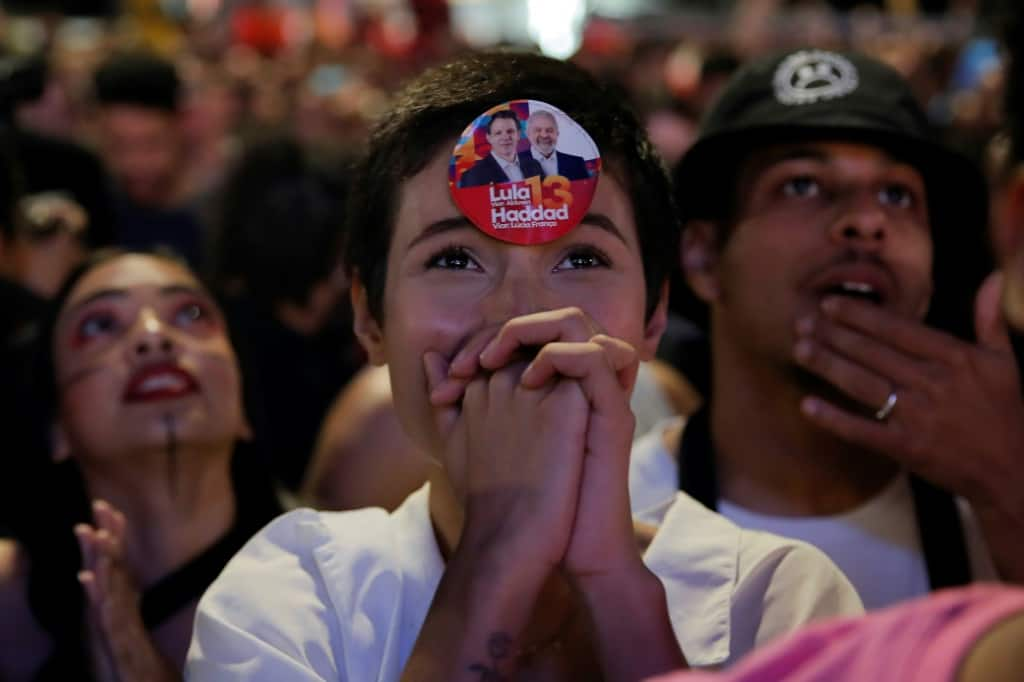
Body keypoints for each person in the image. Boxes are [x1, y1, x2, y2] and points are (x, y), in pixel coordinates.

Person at [187, 52, 861, 682]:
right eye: (454, 259)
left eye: (581, 259)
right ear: (368, 314)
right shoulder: (294, 591)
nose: (522, 315)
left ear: (654, 314)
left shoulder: (776, 600)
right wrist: (501, 550)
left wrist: (611, 580)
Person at [629, 48, 1023, 611]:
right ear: (704, 257)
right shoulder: (619, 521)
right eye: (802, 185)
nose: (866, 221)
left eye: (897, 195)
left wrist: (1010, 493)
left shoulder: (994, 509)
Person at [0, 249, 281, 680]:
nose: (153, 337)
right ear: (56, 427)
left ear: (243, 407)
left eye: (190, 313)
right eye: (100, 324)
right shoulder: (9, 601)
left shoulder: (336, 584)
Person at [92, 51, 205, 268]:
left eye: (152, 144)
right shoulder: (94, 214)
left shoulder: (214, 215)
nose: (136, 163)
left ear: (181, 128)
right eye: (119, 146)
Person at [458, 108, 543, 187]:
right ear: (489, 138)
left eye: (510, 131)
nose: (505, 137)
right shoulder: (473, 175)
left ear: (518, 134)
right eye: (498, 133)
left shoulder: (534, 165)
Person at [524, 109, 590, 181]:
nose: (544, 135)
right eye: (538, 130)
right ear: (528, 134)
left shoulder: (577, 163)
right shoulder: (513, 164)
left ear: (557, 133)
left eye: (549, 130)